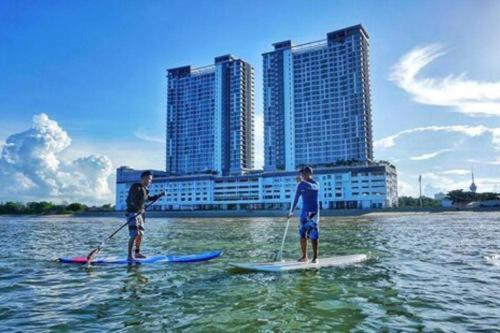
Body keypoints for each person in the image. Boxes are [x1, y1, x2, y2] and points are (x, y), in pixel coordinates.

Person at [126, 170, 164, 261]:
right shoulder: (136, 187)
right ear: (143, 178)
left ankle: (137, 253)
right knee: (134, 234)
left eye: (151, 180)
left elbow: (148, 199)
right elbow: (130, 200)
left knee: (140, 234)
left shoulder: (145, 190)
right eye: (148, 179)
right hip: (133, 213)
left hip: (141, 214)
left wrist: (159, 195)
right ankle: (129, 256)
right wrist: (138, 208)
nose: (149, 181)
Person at [288, 166, 320, 263]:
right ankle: (304, 256)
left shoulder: (316, 183)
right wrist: (291, 211)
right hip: (304, 212)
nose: (302, 175)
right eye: (301, 174)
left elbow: (312, 187)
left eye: (304, 173)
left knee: (314, 236)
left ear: (310, 174)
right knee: (302, 235)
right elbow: (296, 199)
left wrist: (303, 183)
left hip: (313, 213)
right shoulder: (300, 185)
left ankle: (315, 258)